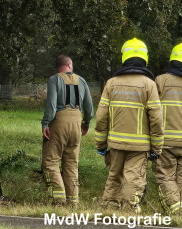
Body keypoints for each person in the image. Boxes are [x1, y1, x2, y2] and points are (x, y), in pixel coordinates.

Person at [95, 38, 163, 213]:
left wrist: (101, 144)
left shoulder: (111, 83)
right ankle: (130, 210)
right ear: (144, 57)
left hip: (116, 143)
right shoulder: (149, 85)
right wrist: (157, 147)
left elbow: (102, 116)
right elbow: (156, 119)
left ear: (124, 57)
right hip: (139, 145)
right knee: (134, 178)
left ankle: (109, 207)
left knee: (114, 175)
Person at [40, 55, 94, 205]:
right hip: (77, 123)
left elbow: (51, 104)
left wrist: (45, 123)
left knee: (50, 161)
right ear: (69, 65)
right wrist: (86, 123)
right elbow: (89, 107)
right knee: (71, 163)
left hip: (59, 123)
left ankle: (58, 200)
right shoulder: (81, 80)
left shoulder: (54, 80)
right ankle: (73, 202)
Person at [154, 43, 182, 215]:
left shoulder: (160, 80)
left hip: (166, 140)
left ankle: (176, 212)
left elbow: (151, 110)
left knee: (165, 176)